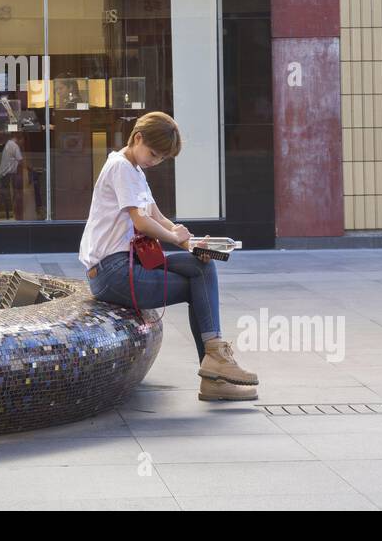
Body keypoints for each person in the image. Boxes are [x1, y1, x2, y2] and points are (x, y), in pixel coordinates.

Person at [77, 111, 259, 401]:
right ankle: (214, 372)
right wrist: (174, 238)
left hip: (129, 264)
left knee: (201, 265)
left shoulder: (135, 171)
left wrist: (190, 242)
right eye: (153, 154)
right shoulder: (120, 167)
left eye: (162, 158)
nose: (156, 161)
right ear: (137, 138)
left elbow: (157, 216)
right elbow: (141, 221)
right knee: (198, 287)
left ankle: (215, 365)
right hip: (111, 273)